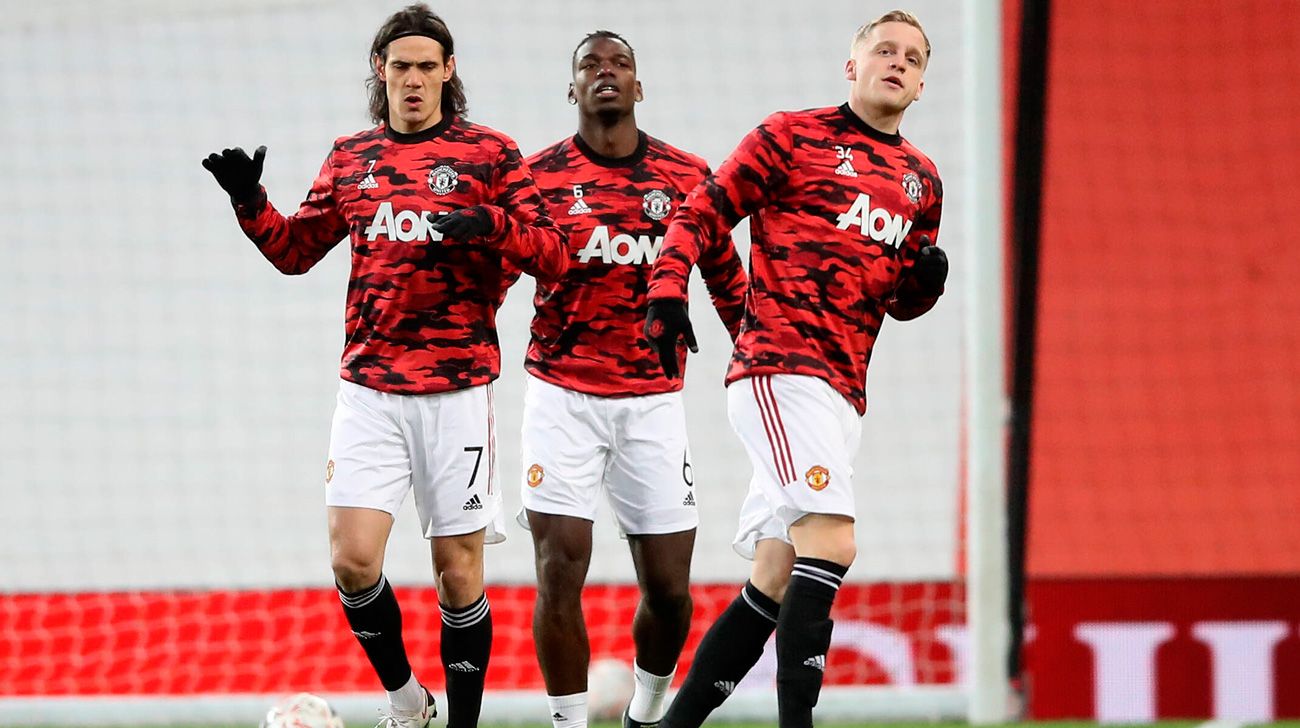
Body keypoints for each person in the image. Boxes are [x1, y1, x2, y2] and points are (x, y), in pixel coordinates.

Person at [201, 5, 565, 728]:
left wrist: (490, 223)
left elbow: (553, 253)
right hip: (369, 389)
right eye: (401, 66)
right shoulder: (351, 157)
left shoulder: (490, 154)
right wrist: (250, 201)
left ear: (448, 71)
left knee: (457, 574)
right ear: (381, 71)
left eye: (428, 66)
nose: (414, 80)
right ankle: (406, 700)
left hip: (457, 390)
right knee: (353, 561)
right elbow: (295, 252)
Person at [642, 11, 947, 728]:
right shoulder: (791, 136)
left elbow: (902, 302)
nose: (897, 63)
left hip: (843, 391)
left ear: (921, 85)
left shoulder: (921, 181)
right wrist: (666, 287)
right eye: (884, 50)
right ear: (852, 66)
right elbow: (701, 212)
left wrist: (925, 286)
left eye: (911, 58)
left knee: (776, 577)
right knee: (833, 542)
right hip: (780, 367)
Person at [520, 30, 746, 728]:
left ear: (639, 86)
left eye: (620, 64)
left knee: (671, 593)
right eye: (590, 64)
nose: (606, 73)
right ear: (572, 88)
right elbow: (492, 278)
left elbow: (729, 282)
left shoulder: (685, 176)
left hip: (652, 402)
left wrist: (762, 361)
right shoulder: (536, 178)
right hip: (560, 397)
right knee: (559, 568)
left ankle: (645, 717)